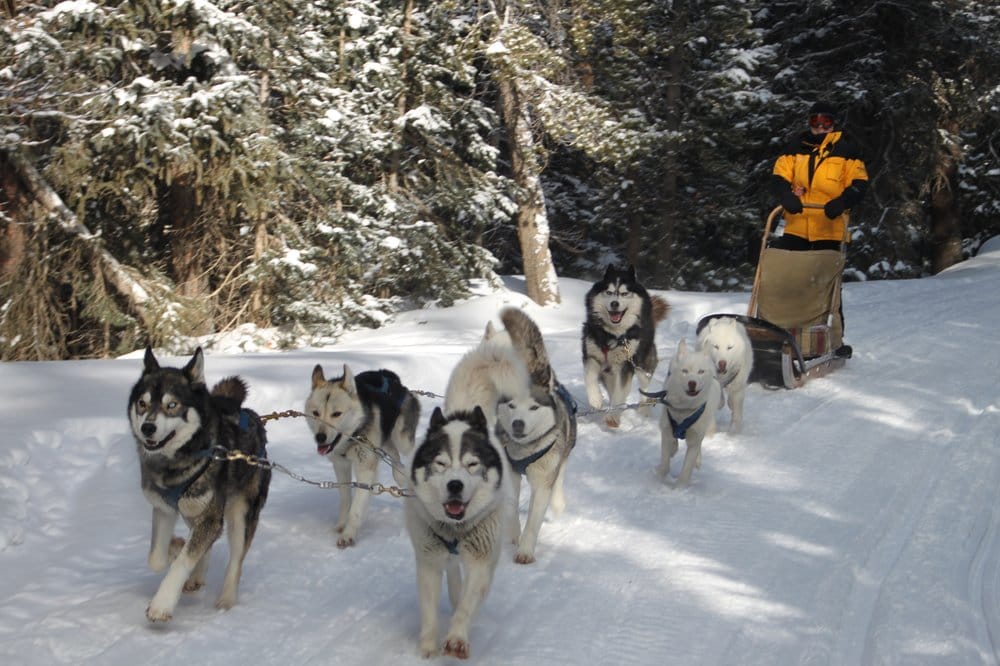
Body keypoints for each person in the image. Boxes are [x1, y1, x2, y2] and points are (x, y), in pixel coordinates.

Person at [767, 101, 868, 356]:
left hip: (830, 227)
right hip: (797, 226)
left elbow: (859, 183)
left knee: (827, 285)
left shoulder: (846, 149)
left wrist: (842, 202)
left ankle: (834, 339)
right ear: (809, 122)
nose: (820, 127)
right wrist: (785, 195)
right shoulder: (796, 147)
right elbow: (779, 175)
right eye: (815, 121)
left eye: (826, 122)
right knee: (788, 279)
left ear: (833, 123)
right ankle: (783, 333)